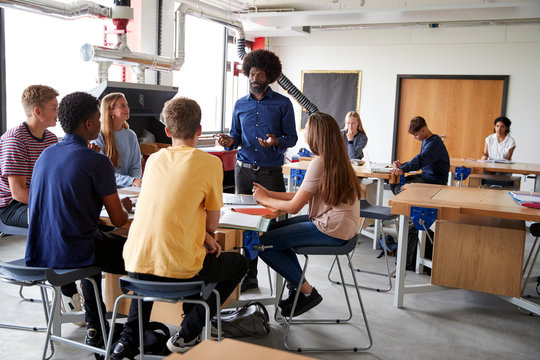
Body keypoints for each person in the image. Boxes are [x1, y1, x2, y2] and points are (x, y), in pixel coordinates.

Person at [109, 97, 247, 359]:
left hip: (135, 263)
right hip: (181, 270)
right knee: (238, 263)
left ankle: (127, 341)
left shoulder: (155, 160)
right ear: (199, 130)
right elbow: (213, 223)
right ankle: (187, 333)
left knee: (148, 263)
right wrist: (206, 234)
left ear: (167, 131)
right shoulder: (210, 163)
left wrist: (202, 233)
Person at [25, 91, 132, 348]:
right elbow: (118, 220)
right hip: (76, 252)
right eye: (97, 118)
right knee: (141, 255)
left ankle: (96, 327)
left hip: (41, 251)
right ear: (88, 125)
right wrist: (124, 207)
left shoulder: (46, 155)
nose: (99, 123)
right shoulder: (97, 161)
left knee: (91, 239)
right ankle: (132, 333)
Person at [252, 112, 361, 317]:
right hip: (339, 225)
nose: (305, 136)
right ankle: (298, 288)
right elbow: (303, 194)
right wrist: (268, 193)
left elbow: (294, 207)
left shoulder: (319, 162)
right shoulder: (337, 158)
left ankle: (306, 291)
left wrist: (263, 199)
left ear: (316, 136)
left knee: (261, 242)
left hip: (331, 228)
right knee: (271, 231)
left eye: (307, 131)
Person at [217, 49, 298, 292]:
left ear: (269, 76)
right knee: (246, 226)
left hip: (270, 173)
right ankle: (249, 275)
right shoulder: (240, 104)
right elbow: (236, 137)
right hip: (244, 172)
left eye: (260, 74)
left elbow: (291, 138)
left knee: (275, 227)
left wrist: (276, 142)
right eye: (251, 73)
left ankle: (288, 279)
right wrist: (228, 142)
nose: (254, 78)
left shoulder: (283, 103)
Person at [0, 85, 58, 228]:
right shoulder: (15, 140)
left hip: (38, 198)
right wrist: (56, 201)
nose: (59, 112)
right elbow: (19, 193)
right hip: (11, 206)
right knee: (59, 218)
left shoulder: (51, 139)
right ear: (37, 111)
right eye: (54, 108)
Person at [91, 92, 142, 188]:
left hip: (129, 189)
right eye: (122, 106)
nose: (127, 109)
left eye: (127, 105)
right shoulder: (98, 136)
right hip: (107, 190)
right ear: (110, 111)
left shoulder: (131, 135)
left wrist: (135, 183)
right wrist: (131, 181)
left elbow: (136, 167)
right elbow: (103, 173)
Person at [390, 116, 450, 194]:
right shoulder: (426, 140)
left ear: (423, 130)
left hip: (436, 180)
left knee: (401, 188)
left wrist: (403, 169)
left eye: (416, 135)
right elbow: (419, 161)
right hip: (426, 176)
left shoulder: (434, 143)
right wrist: (402, 165)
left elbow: (420, 159)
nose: (414, 138)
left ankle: (409, 205)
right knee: (394, 184)